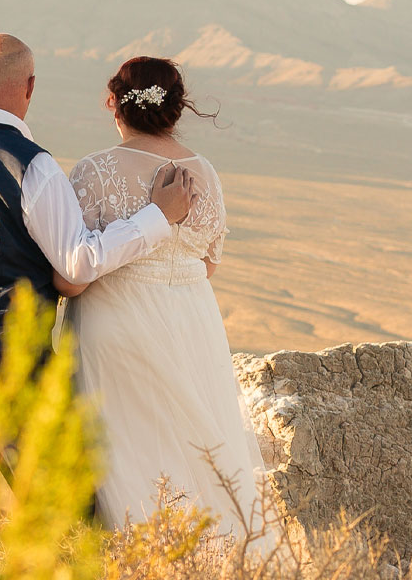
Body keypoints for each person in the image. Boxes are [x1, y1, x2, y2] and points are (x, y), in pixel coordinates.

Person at [0, 33, 196, 487]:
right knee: (57, 497)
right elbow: (77, 262)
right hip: (2, 354)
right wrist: (157, 218)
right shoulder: (30, 165)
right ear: (29, 87)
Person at [56, 56, 266, 537]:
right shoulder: (204, 173)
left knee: (127, 452)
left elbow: (75, 269)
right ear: (178, 107)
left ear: (113, 102)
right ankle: (204, 554)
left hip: (117, 322)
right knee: (193, 444)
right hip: (192, 321)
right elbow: (208, 262)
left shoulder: (94, 170)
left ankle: (138, 551)